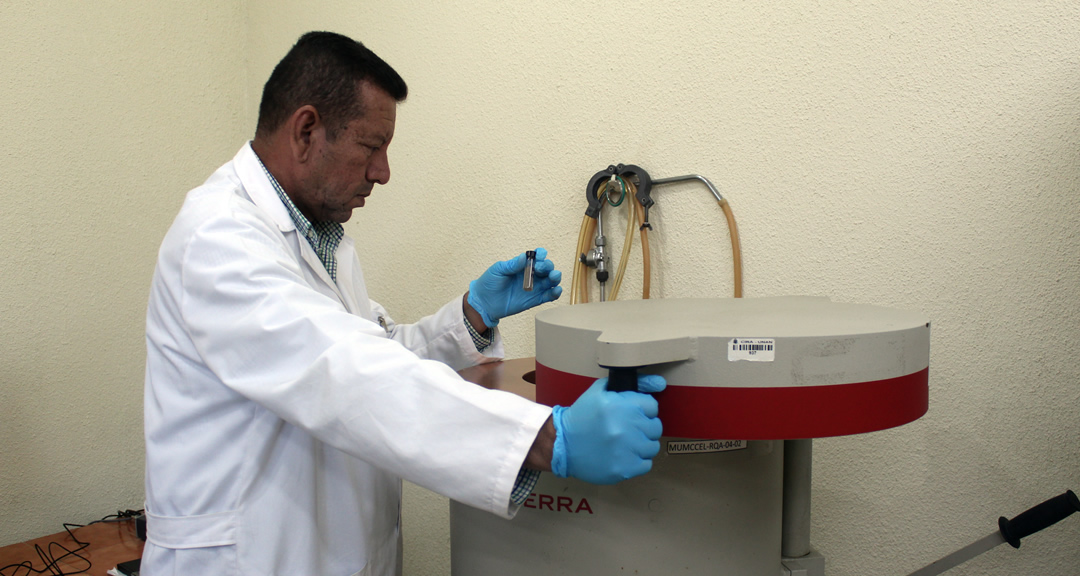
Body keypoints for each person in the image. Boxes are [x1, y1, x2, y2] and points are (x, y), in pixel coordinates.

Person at [142, 31, 665, 576]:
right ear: (305, 132)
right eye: (371, 147)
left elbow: (375, 349)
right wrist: (547, 438)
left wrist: (471, 316)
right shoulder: (217, 240)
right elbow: (346, 372)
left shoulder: (322, 238)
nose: (383, 171)